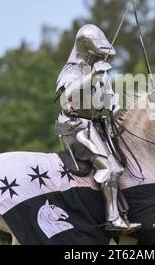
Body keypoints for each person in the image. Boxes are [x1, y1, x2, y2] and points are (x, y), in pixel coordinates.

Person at [55, 24, 141, 232]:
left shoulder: (97, 71)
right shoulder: (71, 71)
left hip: (96, 125)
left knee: (123, 161)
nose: (101, 61)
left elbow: (109, 98)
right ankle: (112, 219)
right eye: (96, 56)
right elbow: (67, 98)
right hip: (76, 126)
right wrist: (92, 77)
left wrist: (116, 106)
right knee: (110, 168)